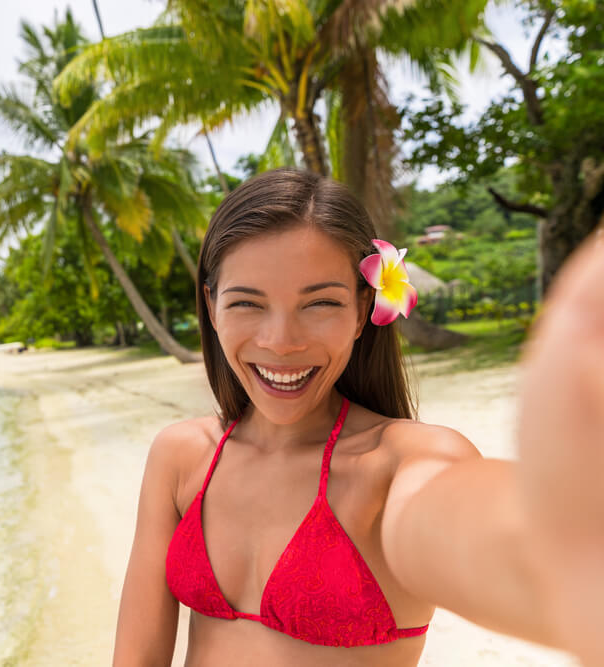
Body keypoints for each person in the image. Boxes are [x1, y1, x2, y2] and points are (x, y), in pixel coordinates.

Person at [113, 167, 600, 666]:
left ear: (365, 307)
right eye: (247, 303)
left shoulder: (400, 464)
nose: (281, 341)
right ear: (212, 307)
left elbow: (493, 538)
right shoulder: (180, 457)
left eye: (320, 302)